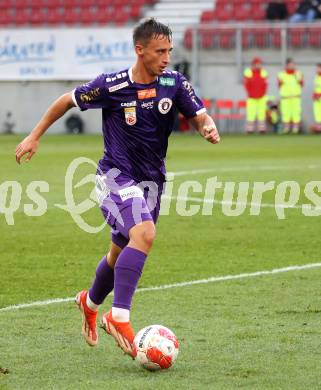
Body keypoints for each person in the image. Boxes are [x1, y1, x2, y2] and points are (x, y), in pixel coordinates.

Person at [15, 18, 220, 358]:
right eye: (160, 51)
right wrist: (34, 135)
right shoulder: (112, 86)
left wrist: (206, 126)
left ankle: (90, 302)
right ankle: (119, 316)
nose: (166, 58)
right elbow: (66, 100)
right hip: (115, 177)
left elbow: (198, 114)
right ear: (140, 50)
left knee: (119, 250)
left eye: (169, 50)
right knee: (145, 234)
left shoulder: (174, 82)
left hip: (152, 182)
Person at [278, 58, 303, 134]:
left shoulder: (298, 74)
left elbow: (301, 84)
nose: (292, 66)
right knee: (286, 113)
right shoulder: (281, 74)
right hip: (285, 97)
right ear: (287, 65)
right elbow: (279, 85)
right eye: (290, 64)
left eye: (293, 64)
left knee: (296, 113)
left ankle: (295, 129)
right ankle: (286, 128)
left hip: (296, 97)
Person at [243, 57, 268, 133]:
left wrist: (263, 93)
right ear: (253, 65)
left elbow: (265, 85)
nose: (259, 66)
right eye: (257, 64)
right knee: (251, 113)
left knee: (261, 113)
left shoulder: (264, 73)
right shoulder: (248, 72)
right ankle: (249, 130)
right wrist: (250, 93)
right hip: (251, 97)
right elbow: (246, 85)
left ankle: (262, 129)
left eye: (260, 64)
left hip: (261, 97)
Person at [311, 63, 321, 133]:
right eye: (317, 68)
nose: (317, 70)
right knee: (317, 113)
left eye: (319, 68)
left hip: (319, 96)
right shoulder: (316, 77)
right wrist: (314, 95)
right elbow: (316, 88)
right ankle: (319, 127)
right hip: (317, 98)